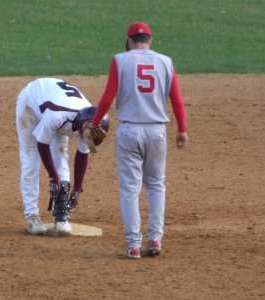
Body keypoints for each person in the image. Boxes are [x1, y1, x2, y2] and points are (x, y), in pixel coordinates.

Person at [90, 22, 188, 258]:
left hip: (129, 132)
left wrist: (94, 123)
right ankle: (155, 239)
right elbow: (177, 99)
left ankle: (133, 245)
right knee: (156, 186)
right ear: (149, 40)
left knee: (130, 190)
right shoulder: (165, 61)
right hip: (157, 132)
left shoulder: (120, 60)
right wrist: (182, 129)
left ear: (129, 40)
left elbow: (106, 99)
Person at [15, 78, 109, 235]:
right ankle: (32, 216)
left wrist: (78, 189)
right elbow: (42, 145)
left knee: (61, 154)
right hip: (30, 106)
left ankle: (61, 215)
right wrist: (53, 177)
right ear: (84, 126)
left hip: (59, 109)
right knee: (31, 160)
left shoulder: (91, 122)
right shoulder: (59, 115)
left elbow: (82, 155)